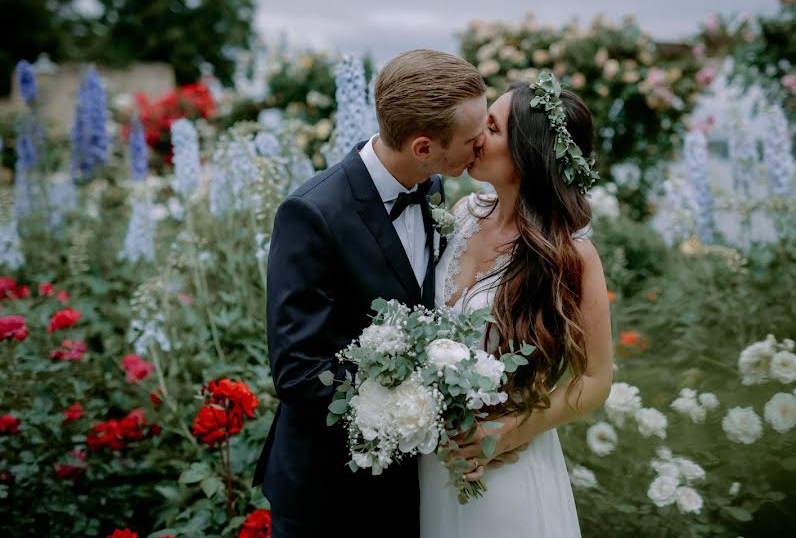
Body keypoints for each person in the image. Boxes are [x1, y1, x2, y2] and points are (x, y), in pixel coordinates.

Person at [252, 49, 489, 537]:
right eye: (472, 137)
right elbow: (299, 372)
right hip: (328, 495)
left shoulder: (434, 188)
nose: (483, 143)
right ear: (424, 147)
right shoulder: (312, 214)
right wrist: (415, 390)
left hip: (408, 487)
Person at [418, 73, 614, 537]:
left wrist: (513, 430)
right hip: (434, 460)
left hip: (503, 472)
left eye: (491, 127)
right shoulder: (463, 216)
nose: (474, 137)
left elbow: (597, 378)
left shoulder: (570, 255)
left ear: (528, 154)